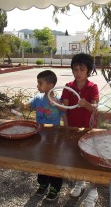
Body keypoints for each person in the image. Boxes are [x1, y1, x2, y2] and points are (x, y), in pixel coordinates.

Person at [21, 70, 66, 201]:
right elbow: (27, 105)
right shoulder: (37, 98)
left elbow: (64, 114)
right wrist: (20, 106)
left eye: (40, 83)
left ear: (51, 85)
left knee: (54, 161)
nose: (37, 86)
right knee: (40, 160)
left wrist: (67, 130)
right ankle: (43, 183)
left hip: (54, 137)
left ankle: (55, 187)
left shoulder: (58, 101)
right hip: (39, 136)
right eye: (38, 83)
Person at [61, 53, 99, 207]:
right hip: (73, 130)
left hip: (89, 130)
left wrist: (86, 105)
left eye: (81, 70)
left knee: (91, 161)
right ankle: (80, 183)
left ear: (89, 71)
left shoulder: (93, 87)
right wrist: (66, 127)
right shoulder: (68, 87)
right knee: (76, 158)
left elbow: (95, 109)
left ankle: (93, 192)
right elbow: (65, 108)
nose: (77, 73)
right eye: (75, 70)